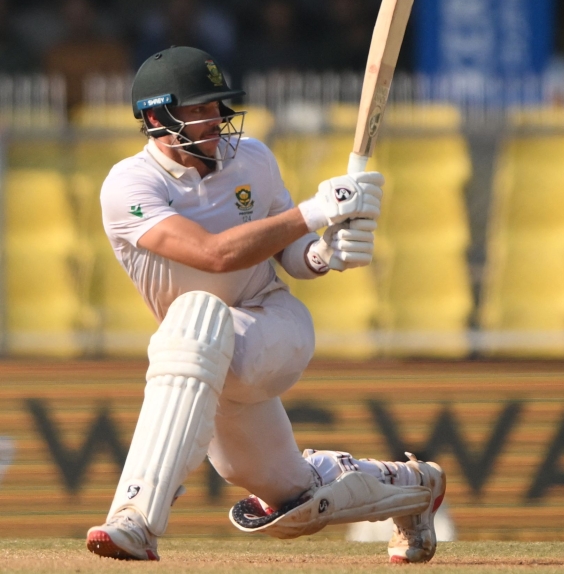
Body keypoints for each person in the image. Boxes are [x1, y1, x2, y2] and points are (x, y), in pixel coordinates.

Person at [86, 46, 446, 563]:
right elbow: (213, 255)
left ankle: (136, 517)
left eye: (216, 107)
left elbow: (290, 256)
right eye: (198, 110)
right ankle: (416, 489)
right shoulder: (129, 185)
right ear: (155, 116)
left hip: (272, 325)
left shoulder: (252, 157)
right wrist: (316, 212)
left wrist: (324, 254)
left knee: (192, 317)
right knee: (294, 498)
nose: (214, 120)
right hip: (201, 366)